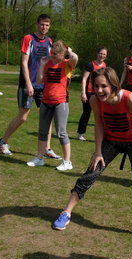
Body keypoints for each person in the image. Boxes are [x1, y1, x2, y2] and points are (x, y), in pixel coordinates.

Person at [52, 67, 132, 242]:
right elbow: (99, 124)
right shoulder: (95, 100)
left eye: (104, 86)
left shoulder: (129, 99)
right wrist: (98, 151)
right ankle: (66, 213)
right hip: (111, 141)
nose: (99, 90)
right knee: (91, 172)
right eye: (96, 86)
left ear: (113, 85)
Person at [0, 14, 60, 160]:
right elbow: (24, 62)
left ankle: (46, 148)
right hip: (28, 84)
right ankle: (3, 141)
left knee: (47, 116)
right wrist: (29, 84)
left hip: (43, 85)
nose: (44, 27)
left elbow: (50, 61)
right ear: (37, 24)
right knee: (23, 116)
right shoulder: (28, 39)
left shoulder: (49, 41)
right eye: (42, 24)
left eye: (47, 25)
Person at [26, 41, 78, 171]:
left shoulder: (66, 65)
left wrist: (69, 51)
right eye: (51, 52)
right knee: (43, 131)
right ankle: (39, 158)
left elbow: (75, 59)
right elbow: (39, 80)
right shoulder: (48, 63)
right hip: (46, 102)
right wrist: (42, 65)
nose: (52, 55)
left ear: (62, 54)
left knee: (61, 132)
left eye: (55, 53)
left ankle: (67, 162)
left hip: (61, 102)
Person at [76, 47, 108, 141]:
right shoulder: (90, 65)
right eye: (100, 53)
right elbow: (84, 79)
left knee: (102, 113)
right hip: (89, 92)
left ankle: (104, 135)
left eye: (104, 54)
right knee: (87, 113)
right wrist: (83, 93)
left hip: (100, 93)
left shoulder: (105, 65)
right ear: (97, 54)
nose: (102, 56)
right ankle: (80, 133)